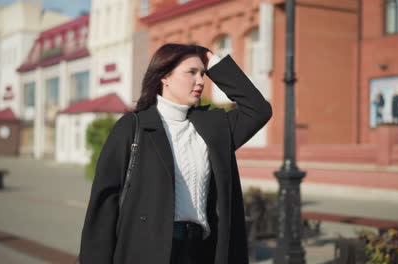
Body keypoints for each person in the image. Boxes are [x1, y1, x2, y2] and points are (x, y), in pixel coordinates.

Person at [79, 43, 272, 264]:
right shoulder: (133, 127)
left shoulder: (212, 127)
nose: (200, 80)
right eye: (191, 72)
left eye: (202, 73)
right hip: (147, 251)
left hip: (200, 251)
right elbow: (104, 204)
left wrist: (215, 64)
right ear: (164, 77)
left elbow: (259, 110)